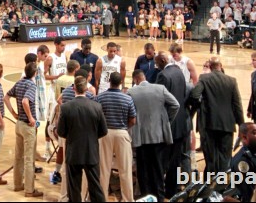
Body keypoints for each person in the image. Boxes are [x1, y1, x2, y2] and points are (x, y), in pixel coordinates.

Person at [188, 56, 244, 174]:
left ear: (211, 67)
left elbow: (194, 95)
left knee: (211, 159)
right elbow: (237, 105)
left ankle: (211, 187)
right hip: (227, 125)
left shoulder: (204, 78)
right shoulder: (232, 80)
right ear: (221, 66)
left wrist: (198, 108)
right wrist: (241, 125)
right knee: (225, 157)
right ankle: (224, 186)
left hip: (209, 124)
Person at [129, 68, 179, 199]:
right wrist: (166, 120)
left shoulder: (131, 92)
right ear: (144, 77)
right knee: (158, 168)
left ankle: (146, 197)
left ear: (136, 79)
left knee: (143, 169)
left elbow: (129, 112)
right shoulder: (160, 88)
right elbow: (175, 105)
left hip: (141, 137)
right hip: (159, 135)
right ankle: (159, 197)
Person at [57, 75, 108, 202]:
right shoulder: (97, 107)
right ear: (86, 89)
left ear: (74, 88)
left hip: (73, 152)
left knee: (74, 188)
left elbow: (61, 132)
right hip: (91, 152)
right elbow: (104, 131)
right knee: (95, 187)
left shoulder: (66, 107)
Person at [95, 71, 136, 202]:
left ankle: (102, 198)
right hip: (122, 133)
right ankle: (128, 199)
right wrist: (124, 127)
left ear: (109, 81)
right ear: (121, 82)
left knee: (103, 169)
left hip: (105, 133)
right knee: (125, 169)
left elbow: (96, 117)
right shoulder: (127, 98)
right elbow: (133, 120)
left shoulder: (100, 97)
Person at [5, 62, 41, 198]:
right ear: (35, 73)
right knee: (29, 158)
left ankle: (17, 184)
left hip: (18, 123)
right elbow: (26, 101)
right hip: (27, 126)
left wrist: (13, 113)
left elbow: (6, 97)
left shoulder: (19, 83)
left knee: (18, 156)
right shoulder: (32, 85)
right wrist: (31, 118)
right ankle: (29, 190)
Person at [155, 52, 189, 199]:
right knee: (175, 161)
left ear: (163, 60)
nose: (157, 66)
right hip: (181, 124)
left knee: (161, 161)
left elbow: (159, 100)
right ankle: (172, 191)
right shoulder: (179, 72)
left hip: (168, 123)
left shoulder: (163, 75)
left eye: (157, 63)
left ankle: (159, 193)